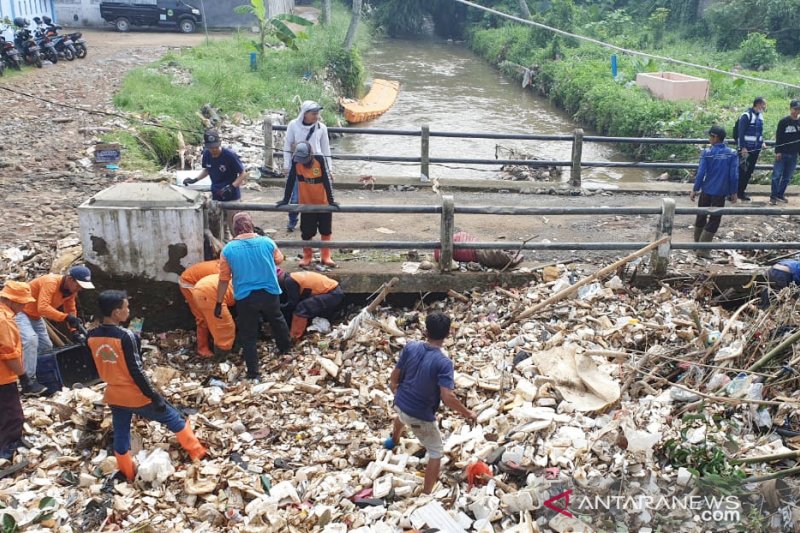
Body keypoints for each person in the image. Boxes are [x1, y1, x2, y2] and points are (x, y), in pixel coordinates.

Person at [87, 290, 207, 482]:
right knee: (174, 417)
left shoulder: (92, 335)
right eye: (126, 307)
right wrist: (154, 396)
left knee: (121, 432)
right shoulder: (126, 336)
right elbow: (137, 370)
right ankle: (198, 453)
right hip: (134, 393)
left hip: (113, 393)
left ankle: (128, 473)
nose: (128, 310)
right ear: (116, 312)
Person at [383, 312, 477, 494]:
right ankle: (426, 494)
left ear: (426, 330)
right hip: (420, 415)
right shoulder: (444, 363)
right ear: (448, 334)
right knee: (436, 452)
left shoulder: (411, 347)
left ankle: (392, 441)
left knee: (401, 416)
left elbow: (394, 376)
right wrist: (468, 413)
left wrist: (396, 391)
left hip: (400, 401)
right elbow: (447, 397)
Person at [217, 212, 291, 381]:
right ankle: (286, 349)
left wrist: (218, 302)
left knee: (248, 333)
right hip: (269, 292)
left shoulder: (228, 250)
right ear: (251, 225)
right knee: (277, 319)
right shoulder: (267, 242)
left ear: (235, 229)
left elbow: (223, 279)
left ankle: (253, 373)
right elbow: (279, 260)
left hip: (245, 297)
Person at [16, 266, 95, 396]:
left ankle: (41, 376)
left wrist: (74, 330)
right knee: (30, 339)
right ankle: (28, 382)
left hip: (35, 316)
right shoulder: (51, 282)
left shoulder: (70, 291)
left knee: (46, 346)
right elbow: (43, 307)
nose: (79, 289)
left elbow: (70, 309)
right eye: (78, 285)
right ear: (70, 279)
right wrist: (65, 317)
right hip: (21, 312)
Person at [277, 141, 339, 268]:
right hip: (306, 203)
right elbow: (290, 181)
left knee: (325, 230)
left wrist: (331, 201)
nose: (303, 162)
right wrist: (285, 200)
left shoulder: (320, 159)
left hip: (323, 202)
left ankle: (325, 256)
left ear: (310, 154)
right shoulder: (296, 161)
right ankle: (307, 256)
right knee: (306, 232)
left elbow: (327, 180)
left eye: (304, 159)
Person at [183, 129, 248, 237]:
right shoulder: (207, 155)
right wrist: (195, 179)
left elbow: (243, 173)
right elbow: (207, 169)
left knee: (233, 226)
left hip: (231, 195)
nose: (214, 150)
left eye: (216, 147)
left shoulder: (229, 155)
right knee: (218, 226)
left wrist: (232, 187)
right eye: (211, 148)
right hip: (216, 194)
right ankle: (223, 248)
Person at [282, 101, 333, 232]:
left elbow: (326, 149)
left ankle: (316, 221)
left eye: (317, 113)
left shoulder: (322, 127)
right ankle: (292, 220)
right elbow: (287, 146)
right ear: (305, 114)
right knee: (295, 196)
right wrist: (287, 165)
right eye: (314, 113)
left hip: (317, 164)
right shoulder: (293, 125)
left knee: (318, 195)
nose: (316, 116)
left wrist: (330, 169)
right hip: (299, 163)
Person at [690, 125, 739, 258]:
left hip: (706, 190)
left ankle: (697, 245)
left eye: (710, 136)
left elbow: (700, 174)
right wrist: (733, 192)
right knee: (714, 219)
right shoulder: (732, 153)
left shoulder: (707, 153)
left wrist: (695, 189)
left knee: (701, 215)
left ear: (715, 137)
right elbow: (733, 176)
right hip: (720, 192)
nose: (709, 139)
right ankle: (703, 249)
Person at [0, 281, 35, 460]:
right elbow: (9, 354)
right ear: (12, 300)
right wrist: (24, 377)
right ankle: (7, 450)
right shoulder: (4, 320)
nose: (24, 307)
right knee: (13, 415)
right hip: (3, 377)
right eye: (22, 303)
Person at [277, 268, 344, 341]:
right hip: (333, 291)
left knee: (302, 308)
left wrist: (278, 308)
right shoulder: (292, 277)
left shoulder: (289, 282)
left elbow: (293, 303)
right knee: (304, 305)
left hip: (333, 293)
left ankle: (295, 337)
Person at [179, 260, 220, 357]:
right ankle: (202, 348)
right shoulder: (220, 273)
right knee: (202, 317)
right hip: (189, 283)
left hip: (201, 282)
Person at [192, 274, 235, 358]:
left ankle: (202, 348)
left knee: (203, 320)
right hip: (210, 293)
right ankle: (221, 357)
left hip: (199, 288)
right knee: (225, 328)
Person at [434, 231, 524, 270]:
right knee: (496, 253)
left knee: (496, 251)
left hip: (476, 249)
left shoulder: (451, 239)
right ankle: (514, 257)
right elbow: (440, 257)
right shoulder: (448, 243)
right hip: (476, 251)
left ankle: (514, 255)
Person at [769, 100, 800, 205]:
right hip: (782, 154)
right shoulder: (783, 121)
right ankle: (773, 196)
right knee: (776, 175)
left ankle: (780, 194)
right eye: (795, 109)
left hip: (794, 154)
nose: (797, 111)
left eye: (798, 109)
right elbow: (779, 137)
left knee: (787, 177)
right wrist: (777, 151)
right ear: (790, 109)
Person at [736, 97, 767, 201]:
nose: (764, 107)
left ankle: (741, 192)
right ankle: (734, 192)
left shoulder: (760, 116)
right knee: (741, 171)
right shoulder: (746, 116)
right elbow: (741, 133)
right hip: (746, 150)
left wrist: (762, 142)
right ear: (758, 104)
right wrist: (742, 148)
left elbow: (759, 132)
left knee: (748, 172)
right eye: (763, 104)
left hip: (755, 150)